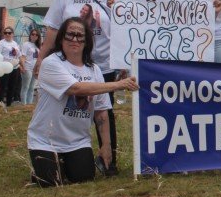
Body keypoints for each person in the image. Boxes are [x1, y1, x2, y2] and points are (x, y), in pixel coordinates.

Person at [36, 0, 121, 174]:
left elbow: (123, 30)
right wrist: (42, 56)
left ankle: (108, 158)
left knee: (104, 112)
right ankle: (62, 151)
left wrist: (123, 63)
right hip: (69, 65)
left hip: (102, 65)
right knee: (70, 107)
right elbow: (54, 28)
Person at [27, 17, 139, 187]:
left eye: (80, 36)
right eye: (70, 35)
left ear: (87, 41)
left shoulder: (94, 70)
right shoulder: (51, 63)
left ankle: (64, 164)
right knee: (52, 182)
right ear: (61, 38)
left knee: (84, 178)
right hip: (45, 141)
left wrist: (106, 145)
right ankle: (41, 169)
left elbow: (101, 110)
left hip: (77, 141)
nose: (75, 39)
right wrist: (119, 84)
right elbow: (76, 89)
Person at [0, 26, 21, 107]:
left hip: (15, 68)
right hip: (5, 68)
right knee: (3, 87)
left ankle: (9, 104)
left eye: (9, 33)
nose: (7, 34)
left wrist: (19, 64)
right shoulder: (1, 43)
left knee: (12, 86)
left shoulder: (15, 43)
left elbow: (19, 55)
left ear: (12, 34)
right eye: (5, 33)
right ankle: (0, 104)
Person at [19, 29, 42, 105]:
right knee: (26, 87)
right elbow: (23, 56)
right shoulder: (26, 44)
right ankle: (24, 104)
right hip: (27, 68)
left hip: (35, 69)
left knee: (32, 88)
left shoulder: (38, 46)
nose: (34, 36)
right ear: (30, 35)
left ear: (38, 36)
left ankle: (29, 104)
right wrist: (22, 66)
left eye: (36, 35)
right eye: (33, 34)